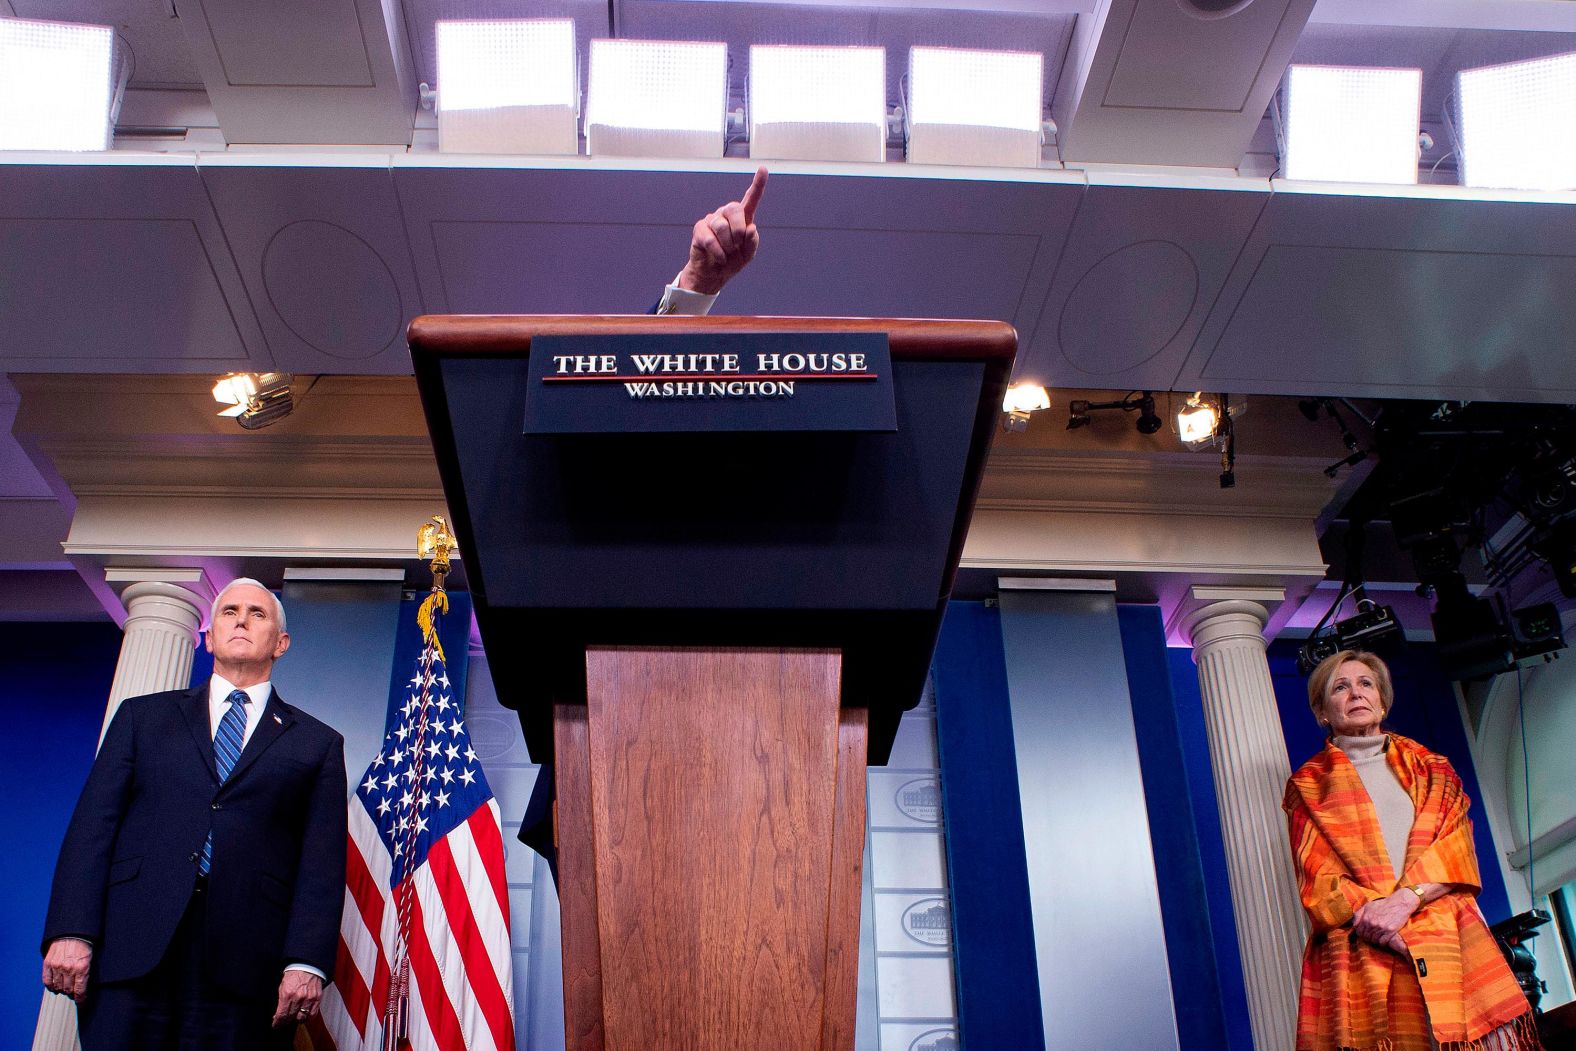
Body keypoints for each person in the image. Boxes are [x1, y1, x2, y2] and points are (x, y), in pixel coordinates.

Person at [41, 579, 348, 1049]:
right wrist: (71, 930)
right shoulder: (142, 717)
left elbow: (321, 865)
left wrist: (306, 962)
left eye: (257, 613)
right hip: (130, 950)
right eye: (229, 611)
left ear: (281, 644)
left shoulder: (318, 743)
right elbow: (93, 828)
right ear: (209, 636)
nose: (241, 620)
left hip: (247, 967)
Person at [1283, 650, 1541, 1051]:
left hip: (1448, 935)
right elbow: (1321, 881)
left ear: (1382, 700)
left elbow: (1456, 848)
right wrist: (1385, 927)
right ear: (1322, 710)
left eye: (1366, 683)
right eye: (1341, 686)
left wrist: (1405, 903)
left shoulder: (1434, 769)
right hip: (1364, 947)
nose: (1356, 693)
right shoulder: (1308, 787)